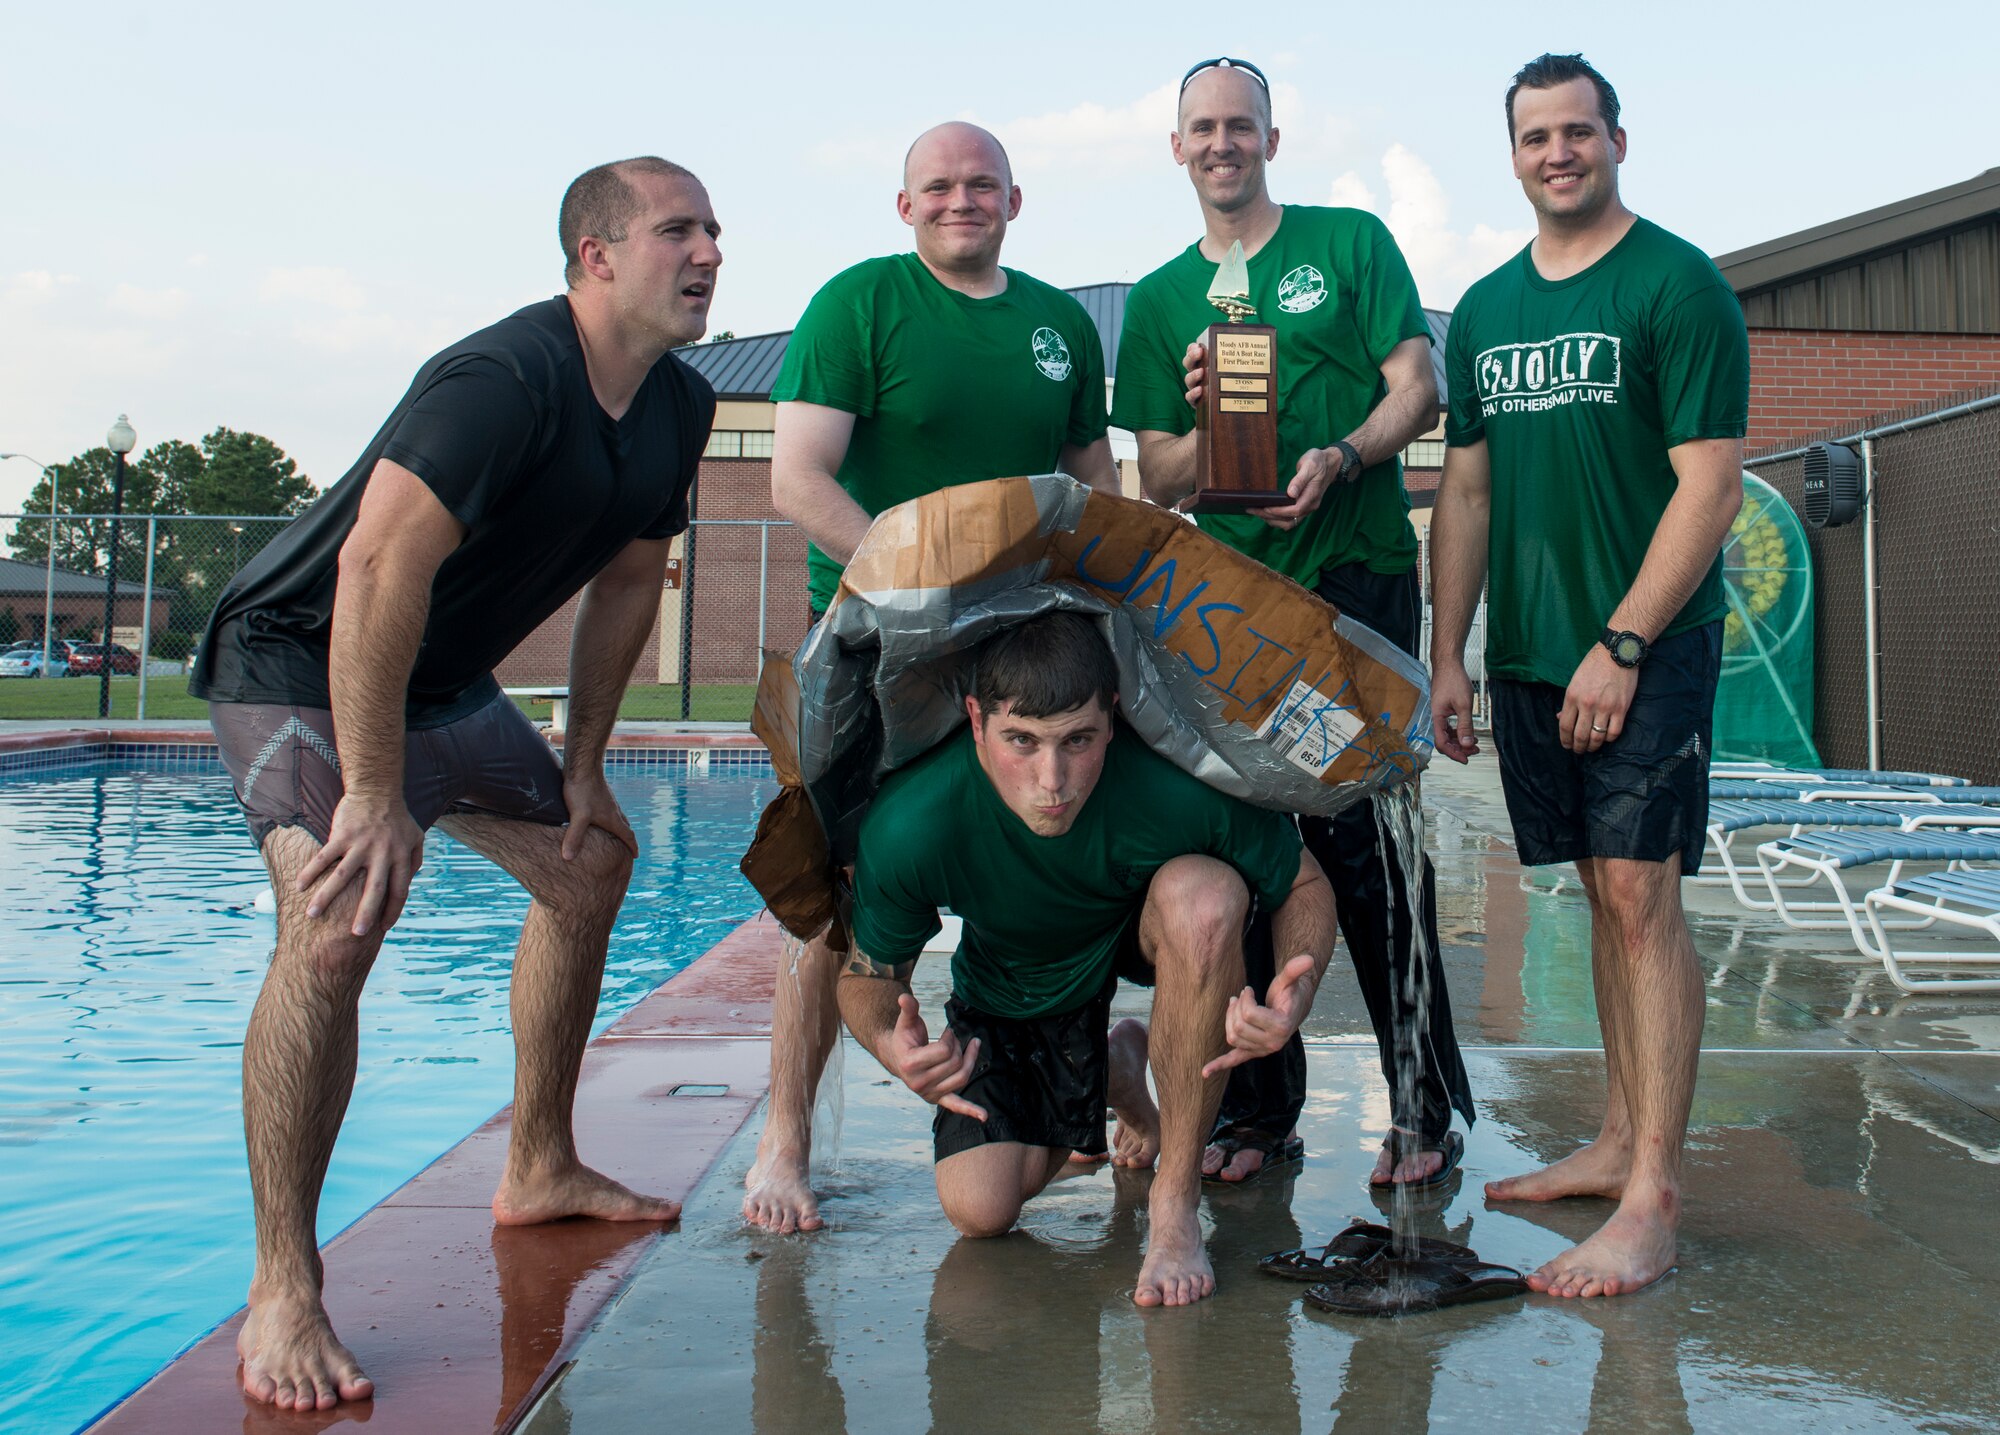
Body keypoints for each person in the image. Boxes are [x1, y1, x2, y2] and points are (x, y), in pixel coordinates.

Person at [187, 156, 723, 1409]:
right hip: (299, 663)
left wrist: (584, 764)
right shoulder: (501, 379)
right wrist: (372, 794)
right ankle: (283, 1284)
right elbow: (375, 567)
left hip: (445, 683)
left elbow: (632, 582)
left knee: (589, 863)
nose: (705, 252)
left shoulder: (679, 406)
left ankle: (539, 1160)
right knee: (337, 918)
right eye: (675, 230)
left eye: (713, 230)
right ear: (594, 254)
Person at [749, 121, 1119, 1233]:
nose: (963, 201)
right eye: (939, 187)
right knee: (829, 902)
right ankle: (782, 1146)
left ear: (1016, 200)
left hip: (1018, 647)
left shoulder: (1057, 324)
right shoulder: (858, 304)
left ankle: (1069, 1093)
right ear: (903, 206)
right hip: (871, 643)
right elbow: (798, 480)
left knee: (1065, 853)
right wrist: (917, 598)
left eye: (982, 186)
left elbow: (1091, 481)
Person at [1112, 56, 1474, 1187]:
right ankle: (1258, 1112)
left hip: (1353, 592)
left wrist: (1344, 453)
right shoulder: (1162, 296)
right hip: (1231, 621)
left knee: (1371, 850)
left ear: (1270, 137)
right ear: (1175, 148)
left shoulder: (1349, 243)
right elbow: (1154, 479)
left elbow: (1417, 382)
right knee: (1251, 852)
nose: (1221, 144)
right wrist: (1202, 415)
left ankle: (1421, 1105)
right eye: (1200, 129)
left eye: (1239, 126)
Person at [1428, 53, 1748, 1297]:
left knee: (1638, 895)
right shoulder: (1488, 308)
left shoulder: (1676, 283)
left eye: (1576, 131)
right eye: (1533, 137)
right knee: (1598, 900)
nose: (1555, 152)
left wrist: (1619, 643)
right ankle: (1616, 1137)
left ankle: (1654, 1194)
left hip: (1644, 647)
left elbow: (1708, 485)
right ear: (1510, 156)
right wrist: (1447, 652)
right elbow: (1464, 487)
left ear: (1617, 138)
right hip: (1523, 656)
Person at [837, 612, 1337, 1307]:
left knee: (1207, 896)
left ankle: (1175, 1200)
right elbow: (867, 976)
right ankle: (1120, 1071)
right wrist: (893, 1045)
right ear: (976, 720)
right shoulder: (914, 818)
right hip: (1011, 987)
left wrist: (1299, 984)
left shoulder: (1169, 782)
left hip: (1130, 937)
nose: (1053, 779)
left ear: (1115, 716)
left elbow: (1304, 881)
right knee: (980, 1211)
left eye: (1079, 740)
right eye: (1022, 741)